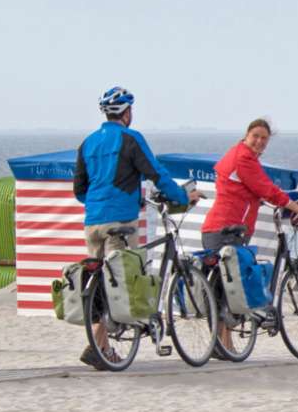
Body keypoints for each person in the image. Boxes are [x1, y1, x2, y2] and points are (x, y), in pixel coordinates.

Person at [74, 86, 204, 369]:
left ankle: (102, 347)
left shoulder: (87, 142)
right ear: (127, 112)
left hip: (92, 221)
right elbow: (156, 173)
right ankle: (96, 345)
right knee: (123, 282)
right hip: (120, 221)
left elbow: (79, 190)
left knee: (100, 286)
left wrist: (105, 203)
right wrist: (182, 196)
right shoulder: (131, 138)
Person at [201, 118, 298, 353]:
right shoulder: (244, 158)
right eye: (256, 136)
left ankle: (222, 345)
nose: (259, 141)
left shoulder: (236, 154)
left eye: (264, 139)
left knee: (223, 289)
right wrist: (294, 206)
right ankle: (223, 345)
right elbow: (266, 188)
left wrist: (259, 199)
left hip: (218, 227)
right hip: (227, 228)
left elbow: (248, 189)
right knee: (230, 288)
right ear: (246, 135)